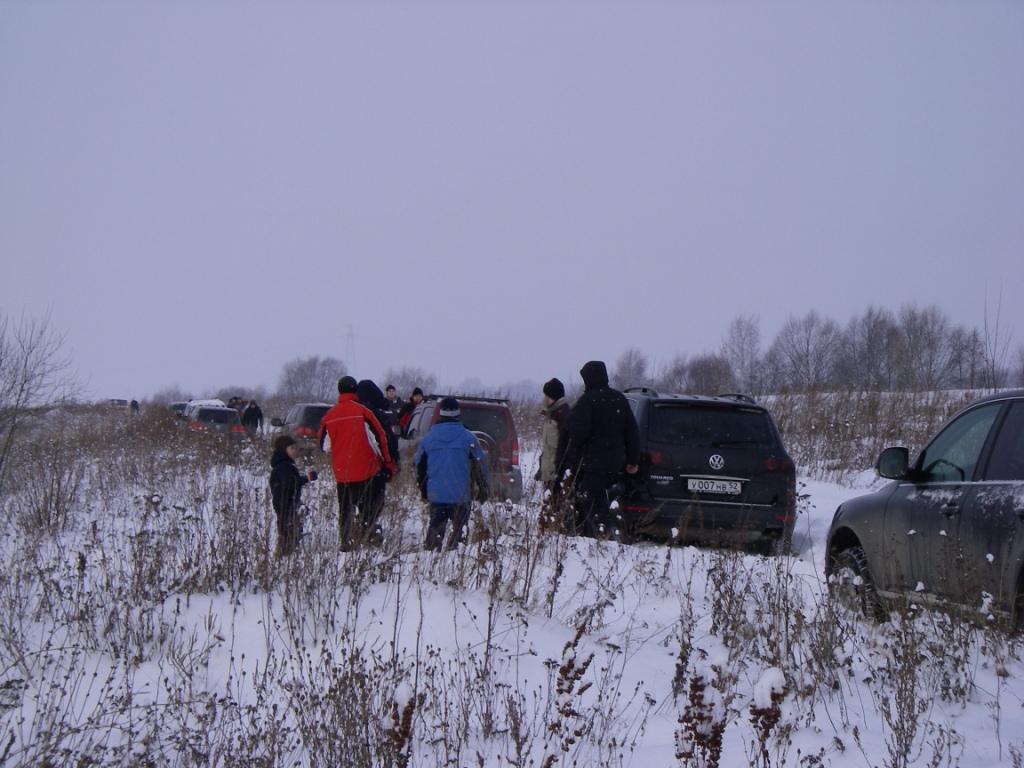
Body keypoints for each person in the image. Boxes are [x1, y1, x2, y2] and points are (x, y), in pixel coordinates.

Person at [559, 361, 640, 538]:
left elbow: (578, 434)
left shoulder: (587, 401)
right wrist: (633, 460)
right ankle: (612, 529)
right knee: (609, 499)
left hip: (593, 464)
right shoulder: (619, 399)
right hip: (617, 464)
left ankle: (598, 536)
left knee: (591, 502)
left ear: (588, 379)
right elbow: (632, 431)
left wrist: (572, 457)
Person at [319, 376, 397, 551]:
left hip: (343, 473)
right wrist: (388, 464)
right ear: (355, 391)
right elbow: (380, 439)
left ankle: (346, 542)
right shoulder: (364, 411)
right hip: (367, 470)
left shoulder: (330, 416)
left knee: (345, 511)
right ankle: (367, 538)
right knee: (369, 509)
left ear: (339, 391)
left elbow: (324, 445)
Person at [415, 397, 490, 551]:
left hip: (437, 494)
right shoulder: (468, 437)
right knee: (459, 537)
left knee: (434, 532)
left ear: (440, 413)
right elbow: (480, 464)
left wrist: (424, 491)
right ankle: (456, 559)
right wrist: (483, 489)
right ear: (458, 413)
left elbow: (419, 467)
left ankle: (431, 558)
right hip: (461, 495)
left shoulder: (428, 439)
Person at [356, 379, 401, 543]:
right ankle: (368, 529)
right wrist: (393, 462)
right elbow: (388, 440)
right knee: (374, 502)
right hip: (375, 466)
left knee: (357, 500)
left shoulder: (351, 413)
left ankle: (356, 531)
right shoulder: (378, 415)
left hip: (350, 466)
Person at [268, 434, 317, 557]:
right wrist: (307, 478)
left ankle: (286, 553)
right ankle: (285, 554)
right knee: (290, 530)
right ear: (284, 449)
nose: (294, 451)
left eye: (295, 448)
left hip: (283, 503)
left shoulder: (282, 465)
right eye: (292, 448)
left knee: (289, 528)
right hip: (285, 503)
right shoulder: (284, 466)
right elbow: (290, 483)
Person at [537, 378, 572, 531]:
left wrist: (559, 467)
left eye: (547, 395)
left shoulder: (563, 414)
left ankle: (555, 531)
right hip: (550, 467)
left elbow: (563, 445)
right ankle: (550, 530)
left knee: (555, 504)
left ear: (553, 396)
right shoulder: (553, 413)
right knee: (550, 503)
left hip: (557, 469)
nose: (545, 398)